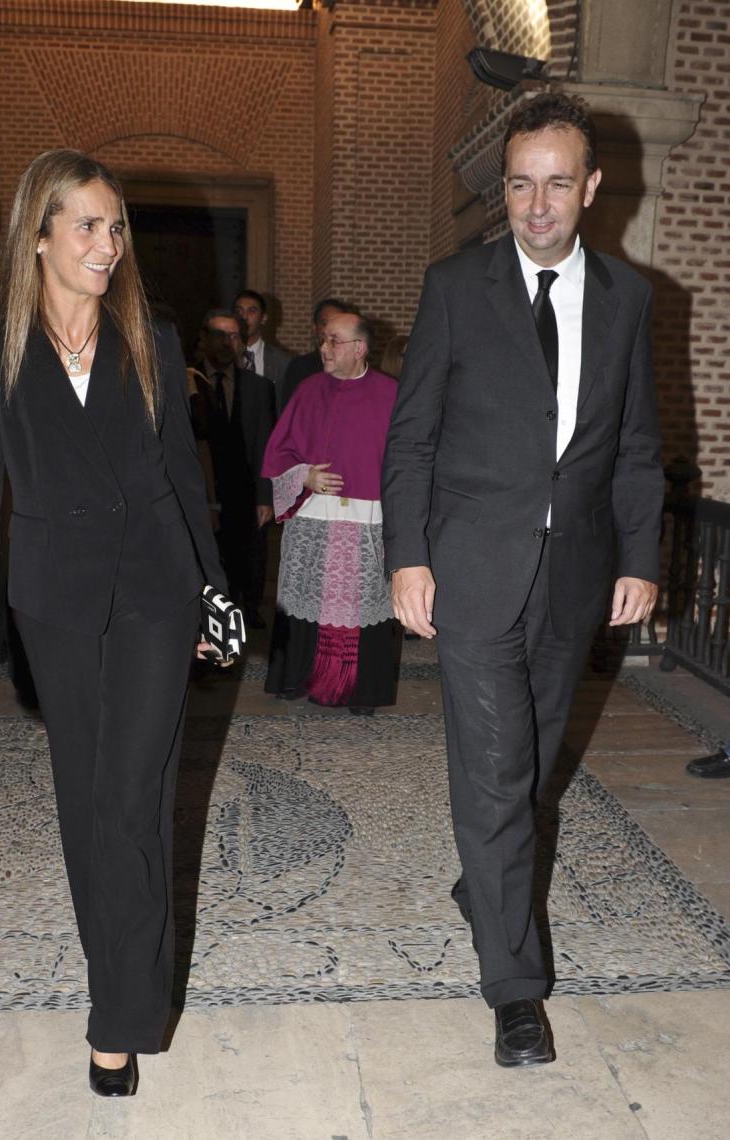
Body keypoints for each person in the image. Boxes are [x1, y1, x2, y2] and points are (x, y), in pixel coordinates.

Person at [382, 93, 664, 1067]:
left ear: (589, 188)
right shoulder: (456, 287)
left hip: (577, 572)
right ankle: (515, 988)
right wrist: (407, 555)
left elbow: (635, 446)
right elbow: (410, 432)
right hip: (470, 567)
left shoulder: (628, 299)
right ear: (502, 189)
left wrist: (640, 558)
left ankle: (487, 880)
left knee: (534, 767)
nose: (536, 205)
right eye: (518, 184)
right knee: (495, 773)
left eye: (555, 183)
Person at [0, 149, 226, 1097]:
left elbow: (186, 477)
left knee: (131, 802)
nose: (108, 246)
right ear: (40, 235)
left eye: (116, 228)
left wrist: (212, 592)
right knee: (83, 805)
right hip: (55, 605)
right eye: (89, 227)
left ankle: (119, 1016)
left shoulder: (152, 336)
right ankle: (120, 984)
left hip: (153, 591)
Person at [263, 311, 399, 712]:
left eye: (333, 341)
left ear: (359, 348)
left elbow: (405, 458)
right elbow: (279, 449)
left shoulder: (391, 393)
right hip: (313, 516)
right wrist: (304, 476)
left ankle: (360, 692)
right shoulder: (308, 389)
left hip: (367, 517)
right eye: (323, 340)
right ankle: (297, 679)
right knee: (306, 600)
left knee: (363, 606)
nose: (324, 348)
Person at [191, 309, 275, 628]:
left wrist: (265, 496)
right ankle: (212, 621)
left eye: (234, 336)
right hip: (203, 490)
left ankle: (247, 611)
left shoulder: (259, 387)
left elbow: (267, 444)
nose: (227, 342)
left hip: (246, 489)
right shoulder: (186, 379)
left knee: (249, 556)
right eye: (219, 334)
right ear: (204, 338)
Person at [278, 298, 353, 414]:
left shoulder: (353, 365)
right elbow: (289, 413)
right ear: (315, 328)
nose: (331, 329)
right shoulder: (300, 367)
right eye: (325, 323)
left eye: (337, 323)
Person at [234, 289, 293, 388]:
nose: (244, 317)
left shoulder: (283, 362)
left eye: (251, 311)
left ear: (263, 318)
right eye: (239, 311)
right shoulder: (225, 355)